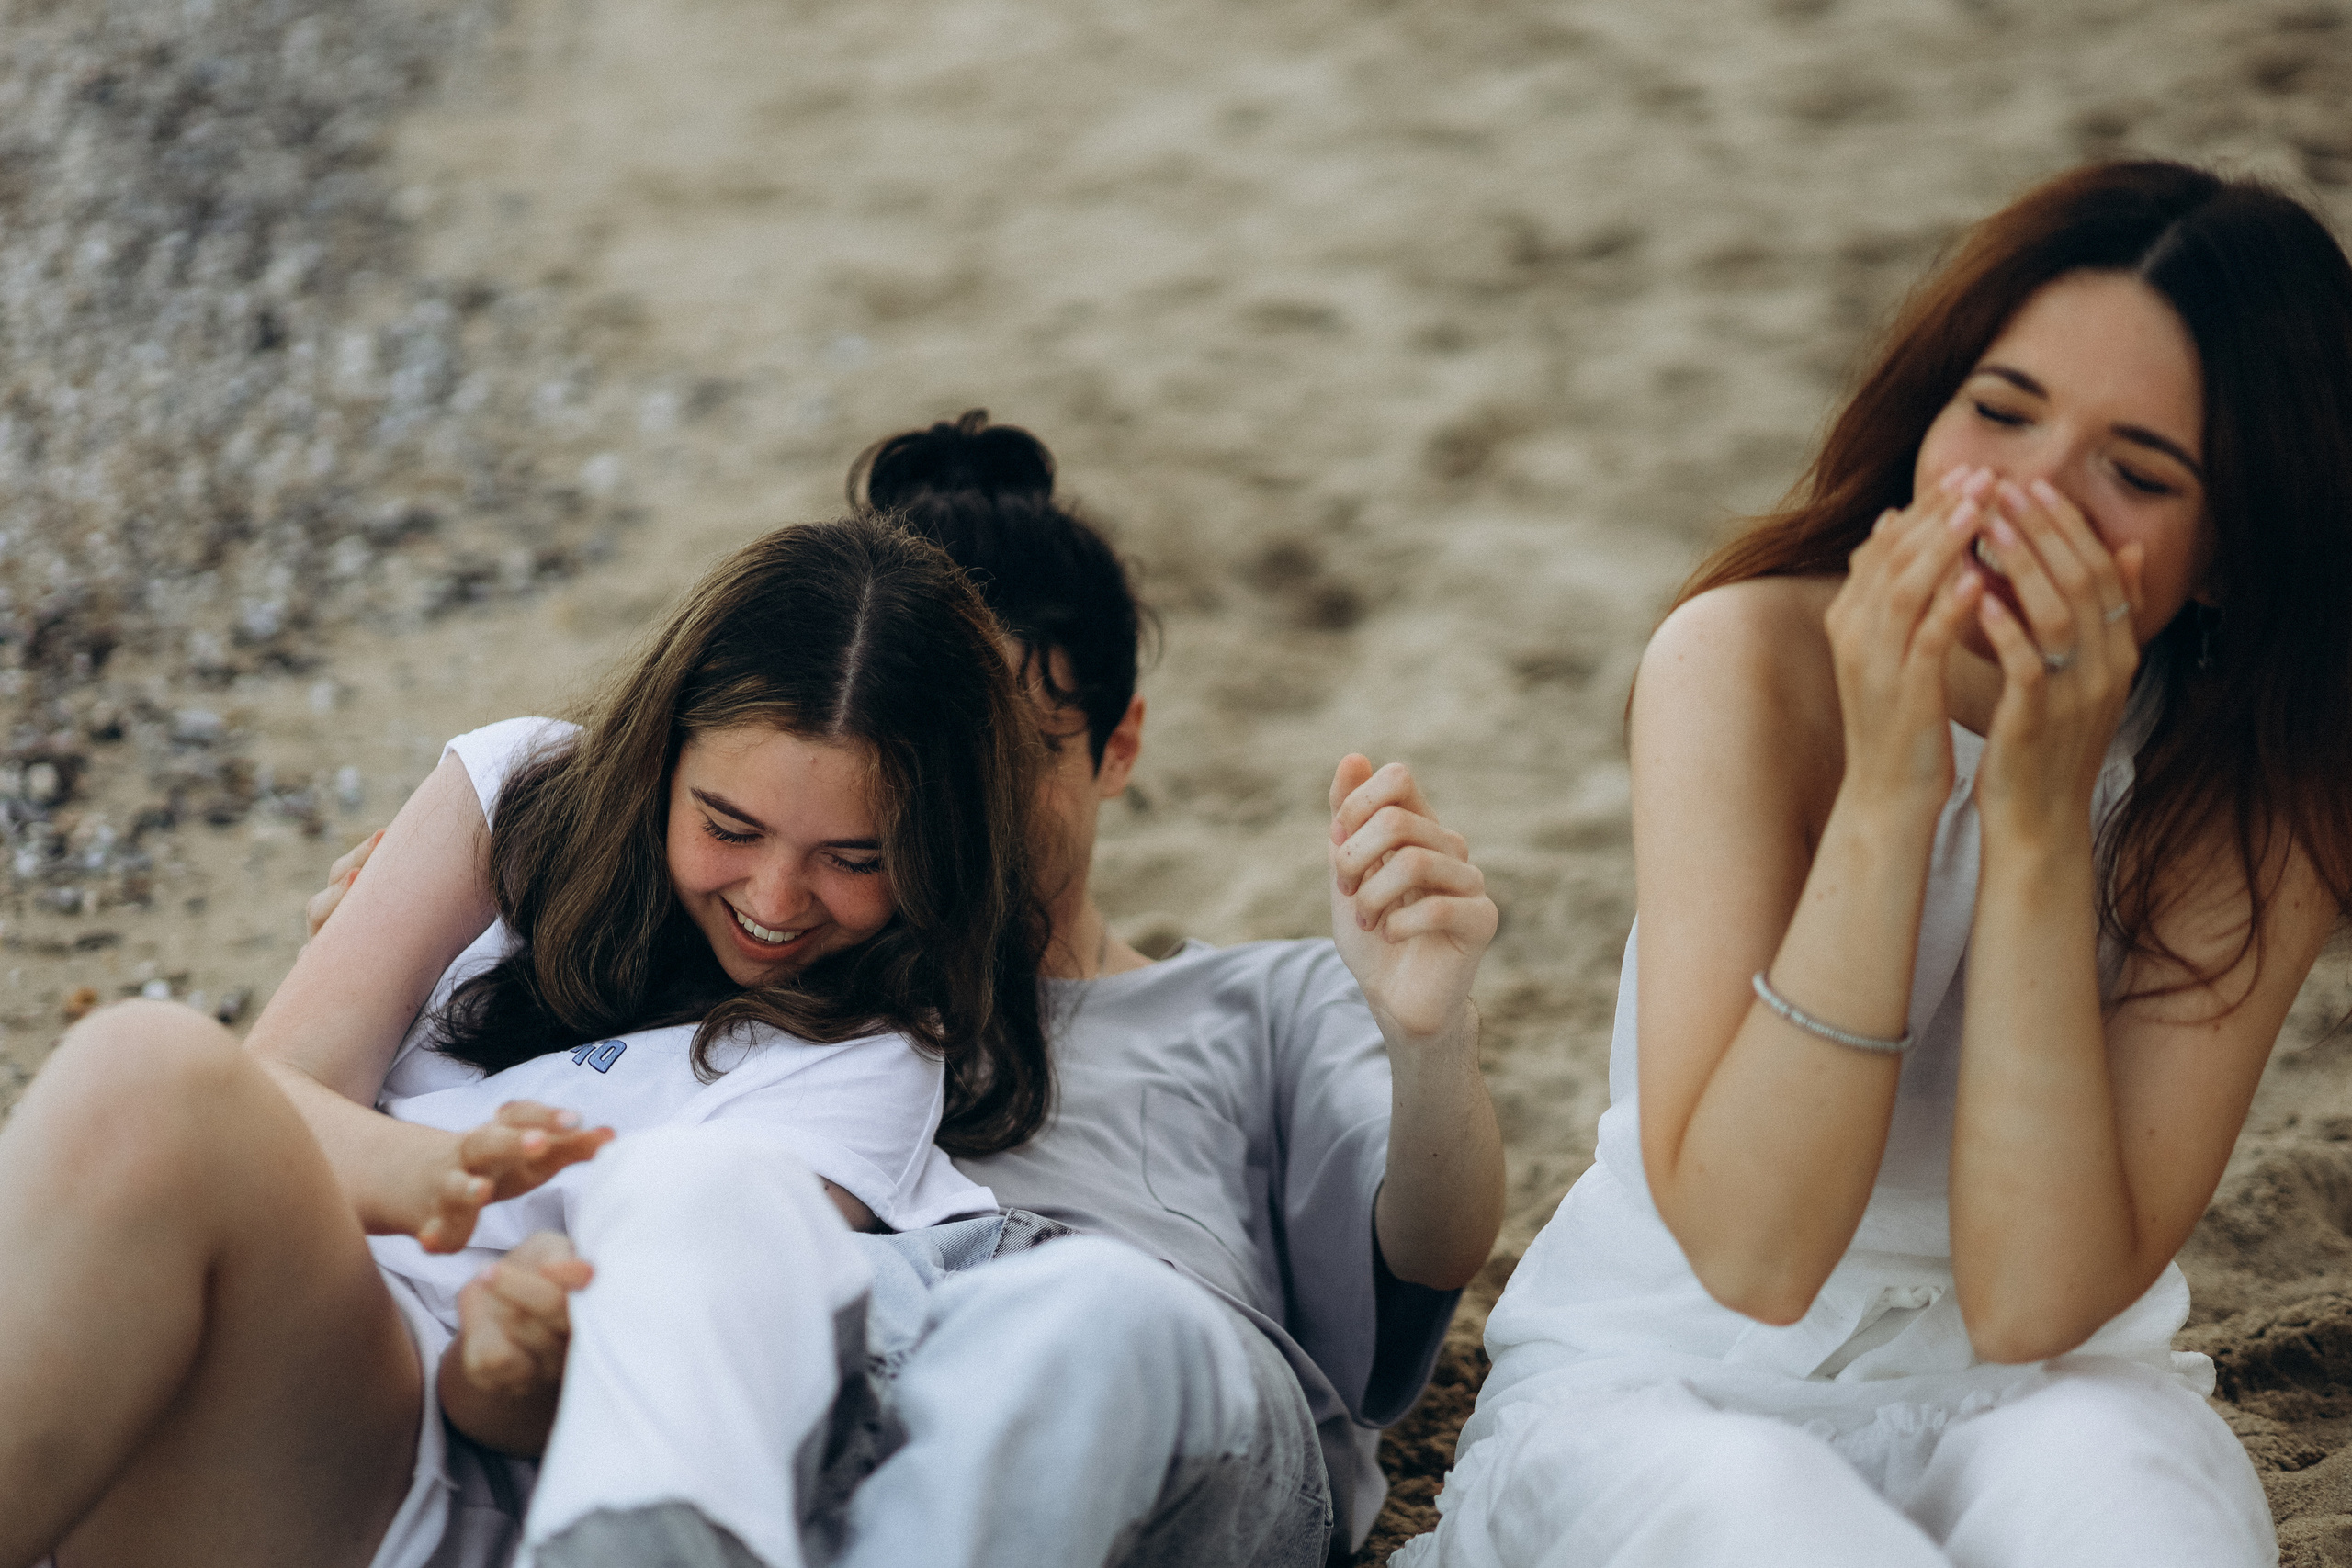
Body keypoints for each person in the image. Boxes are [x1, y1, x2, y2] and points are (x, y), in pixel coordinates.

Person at [309, 410, 1510, 1566]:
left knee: (1086, 1321)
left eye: (1015, 746)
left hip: (1145, 1394)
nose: (954, 795)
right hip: (829, 1367)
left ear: (1117, 744)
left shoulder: (1264, 998)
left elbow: (1425, 1265)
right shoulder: (789, 956)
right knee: (692, 1226)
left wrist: (1430, 1032)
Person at [1391, 160, 2352, 1568]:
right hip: (1675, 1384)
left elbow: (2035, 1300)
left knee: (2135, 1513)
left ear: (2226, 557)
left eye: (2135, 473)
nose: (2026, 496)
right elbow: (1758, 1252)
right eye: (2000, 414)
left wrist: (2037, 811)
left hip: (2046, 1386)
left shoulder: (2255, 785)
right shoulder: (1741, 662)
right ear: (1929, 414)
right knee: (1770, 1522)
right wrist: (1895, 784)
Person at [0, 513, 1052, 1568]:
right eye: (728, 827)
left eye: (853, 859)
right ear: (659, 758)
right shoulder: (521, 791)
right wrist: (432, 1172)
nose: (775, 899)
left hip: (409, 1459)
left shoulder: (865, 1062)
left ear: (935, 853)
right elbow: (278, 1086)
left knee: (144, 1070)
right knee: (145, 1084)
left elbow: (642, 1374)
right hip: (231, 1329)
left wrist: (456, 1257)